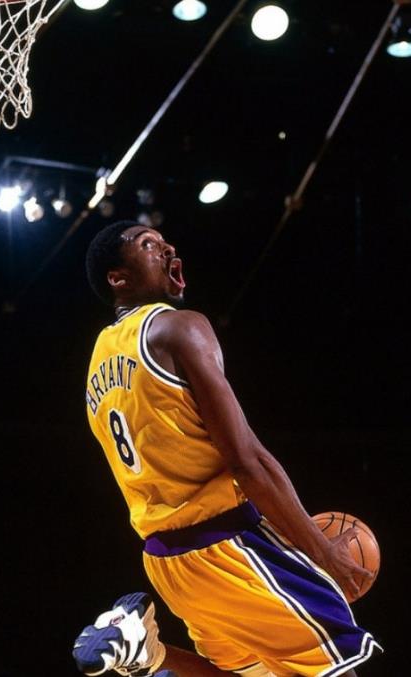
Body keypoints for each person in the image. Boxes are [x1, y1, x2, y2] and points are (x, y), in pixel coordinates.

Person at [73, 221, 382, 677]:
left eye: (163, 240)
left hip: (167, 560)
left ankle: (147, 652)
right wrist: (321, 550)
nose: (166, 247)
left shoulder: (99, 358)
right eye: (148, 244)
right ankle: (144, 651)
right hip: (228, 541)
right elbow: (247, 461)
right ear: (118, 278)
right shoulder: (179, 327)